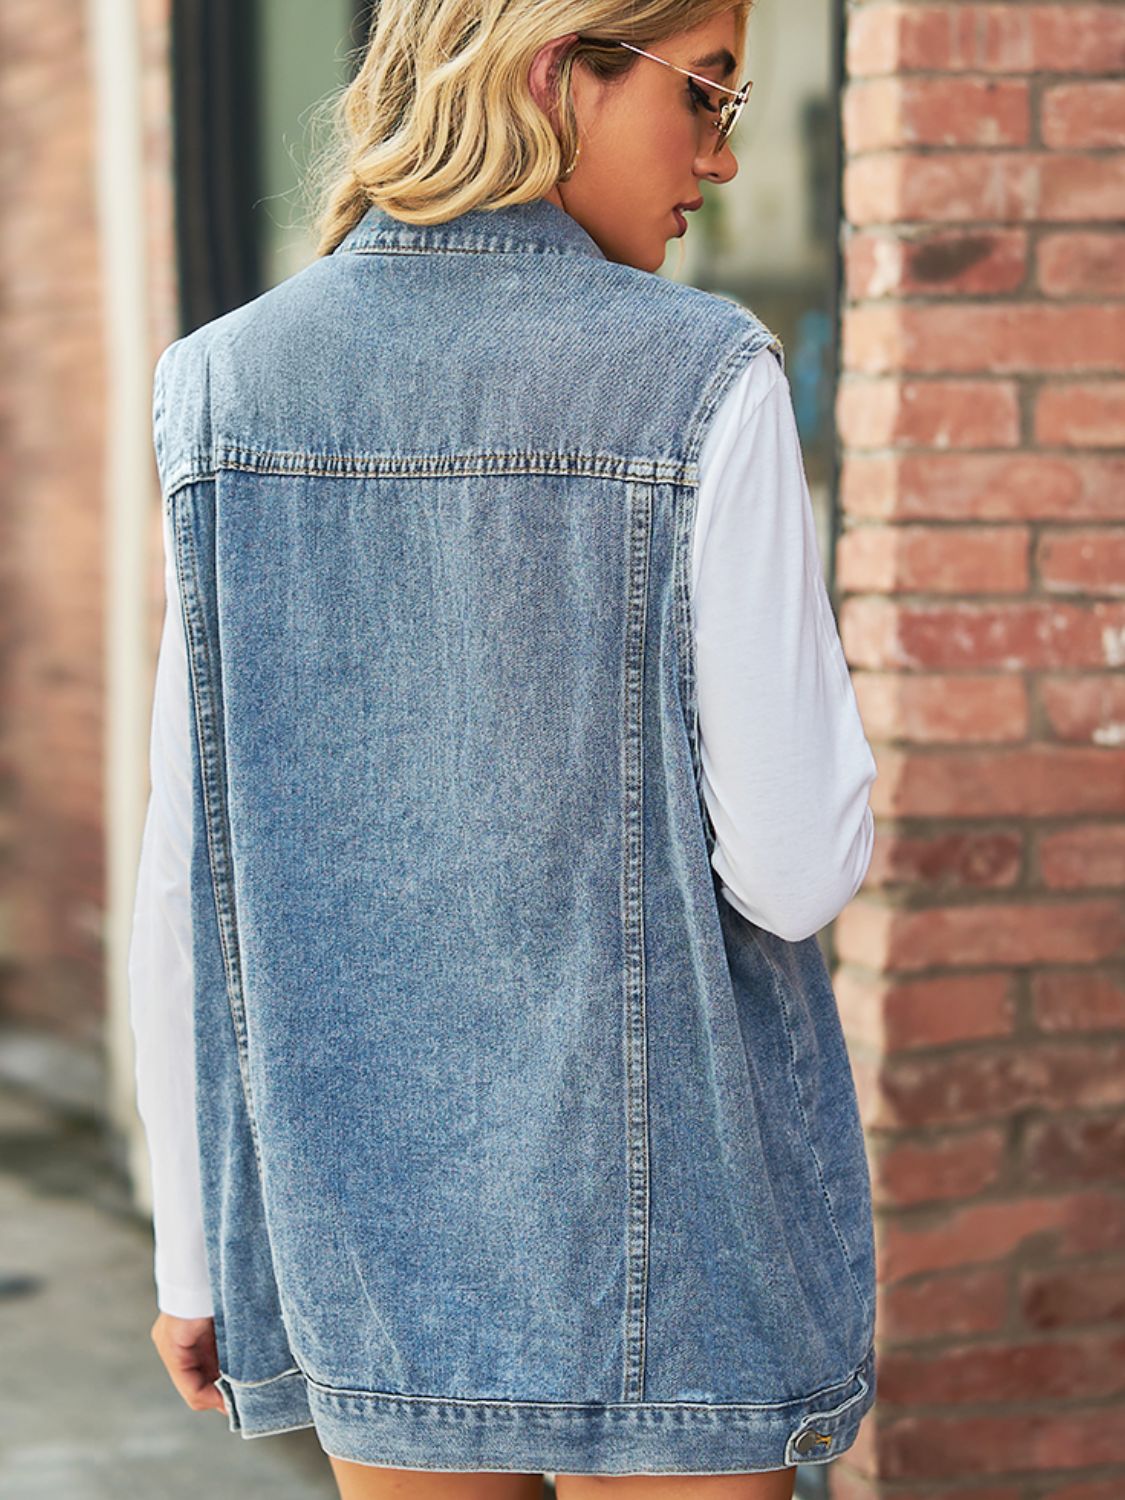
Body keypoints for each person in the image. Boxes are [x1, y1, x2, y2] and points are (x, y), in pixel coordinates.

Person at [128, 3, 880, 1498]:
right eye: (706, 95)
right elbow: (796, 871)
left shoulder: (219, 384)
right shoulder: (701, 376)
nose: (720, 160)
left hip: (360, 1233)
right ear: (557, 75)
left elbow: (185, 875)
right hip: (669, 1248)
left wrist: (195, 1251)